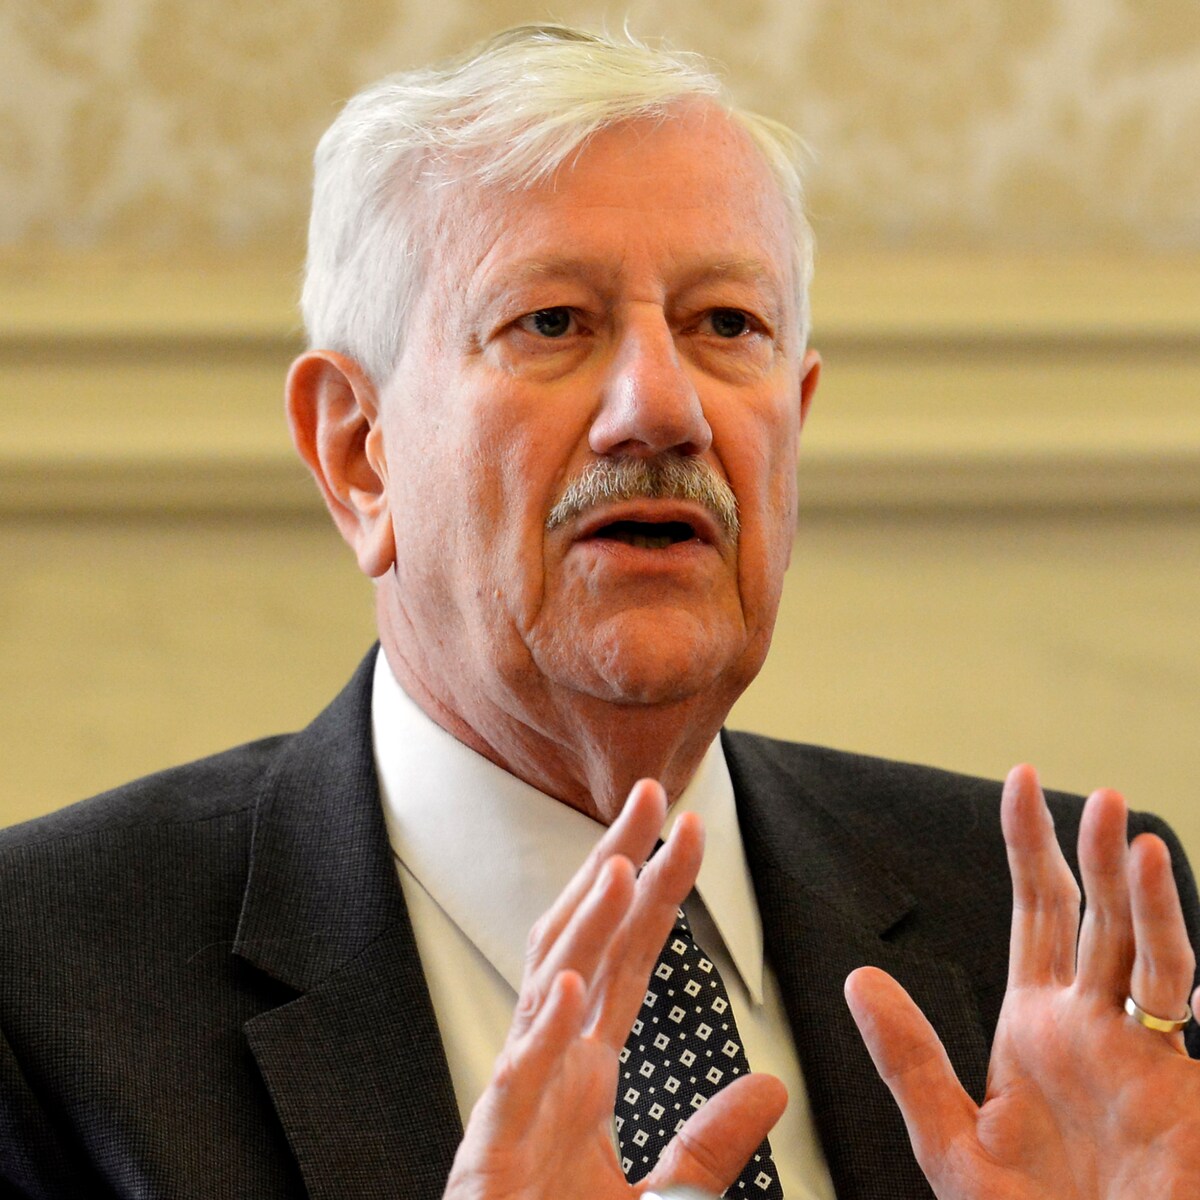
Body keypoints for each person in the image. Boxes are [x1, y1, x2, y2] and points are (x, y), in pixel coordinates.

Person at [2, 23, 1199, 1200]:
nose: (662, 409)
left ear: (795, 424)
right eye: (552, 323)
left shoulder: (1073, 952)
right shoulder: (44, 980)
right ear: (359, 454)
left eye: (726, 324)